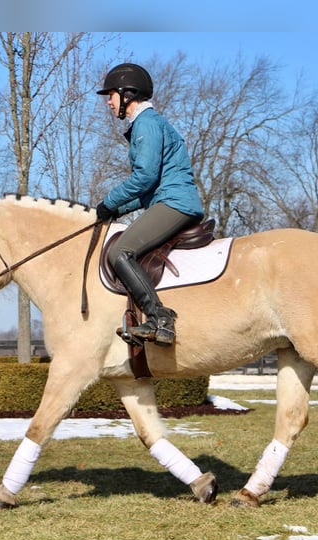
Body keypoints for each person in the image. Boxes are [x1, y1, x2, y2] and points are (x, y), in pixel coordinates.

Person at [95, 63, 204, 347]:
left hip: (175, 202)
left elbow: (144, 177)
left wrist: (108, 201)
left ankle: (159, 318)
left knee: (120, 251)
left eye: (111, 95)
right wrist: (116, 210)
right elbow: (149, 188)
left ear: (127, 94)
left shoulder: (146, 124)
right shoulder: (148, 124)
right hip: (167, 199)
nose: (108, 102)